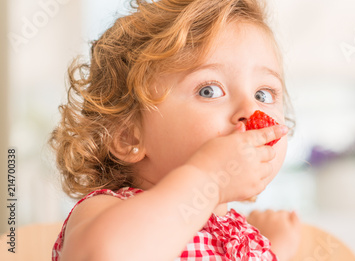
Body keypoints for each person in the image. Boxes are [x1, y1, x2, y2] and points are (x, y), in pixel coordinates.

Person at [49, 0, 300, 260]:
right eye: (209, 91)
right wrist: (208, 178)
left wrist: (273, 250)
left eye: (263, 93)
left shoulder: (246, 237)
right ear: (128, 135)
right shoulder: (106, 210)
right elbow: (102, 254)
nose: (252, 110)